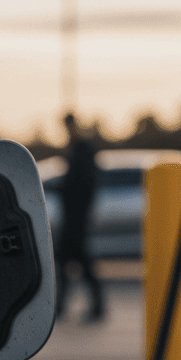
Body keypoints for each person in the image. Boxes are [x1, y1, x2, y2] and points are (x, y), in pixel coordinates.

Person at [56, 112, 104, 321]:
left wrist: (63, 190)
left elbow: (82, 185)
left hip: (77, 216)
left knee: (75, 261)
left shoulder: (82, 149)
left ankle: (92, 306)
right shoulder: (77, 149)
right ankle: (62, 306)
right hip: (74, 216)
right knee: (72, 261)